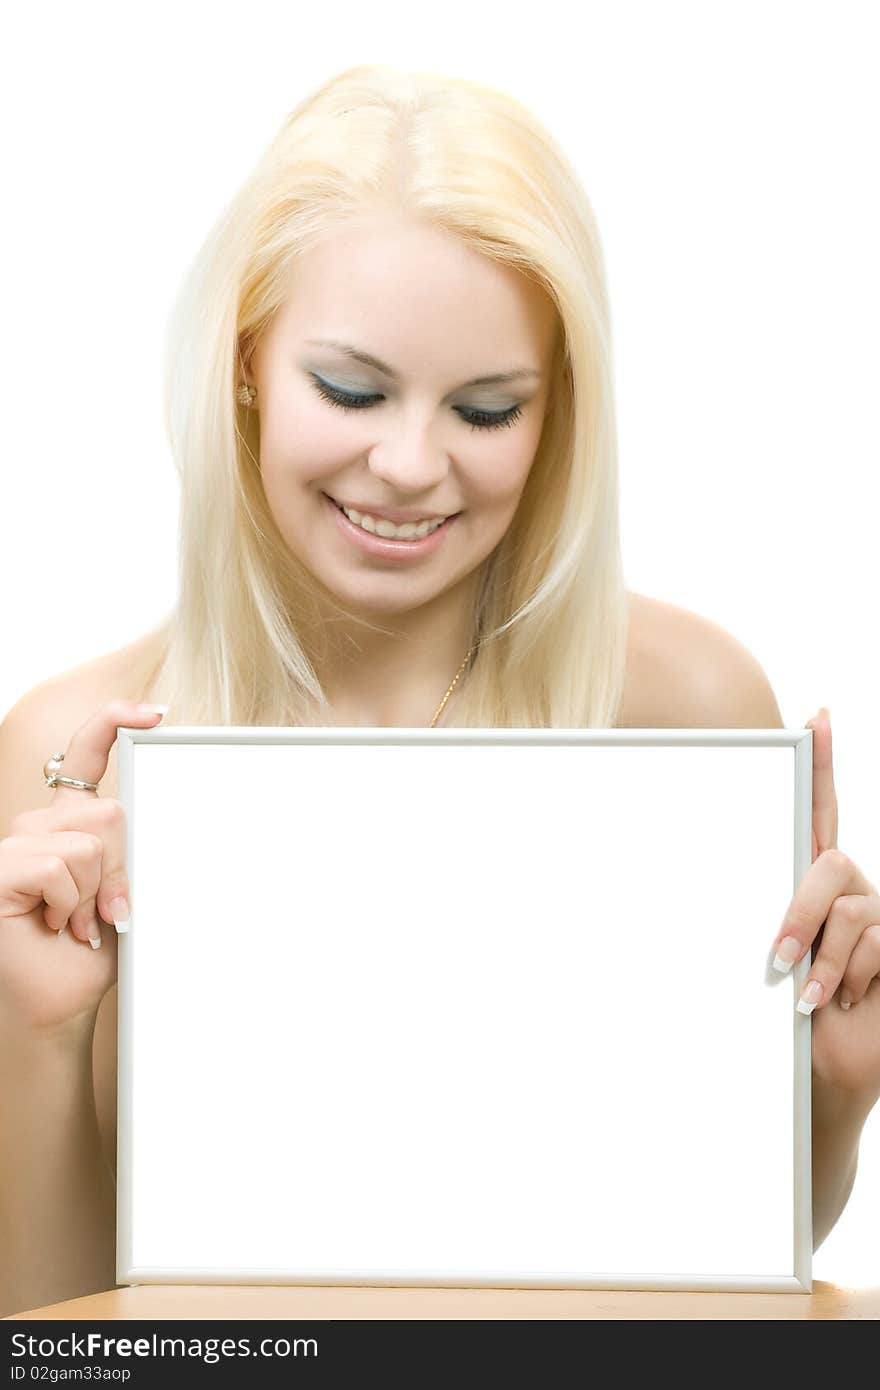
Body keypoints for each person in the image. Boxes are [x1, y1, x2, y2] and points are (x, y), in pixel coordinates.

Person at [1, 63, 878, 1318]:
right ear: (244, 363)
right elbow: (57, 1331)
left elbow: (718, 1277)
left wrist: (834, 1093)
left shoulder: (687, 702)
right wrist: (32, 1036)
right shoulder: (68, 753)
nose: (410, 465)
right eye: (350, 390)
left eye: (485, 408)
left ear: (557, 412)